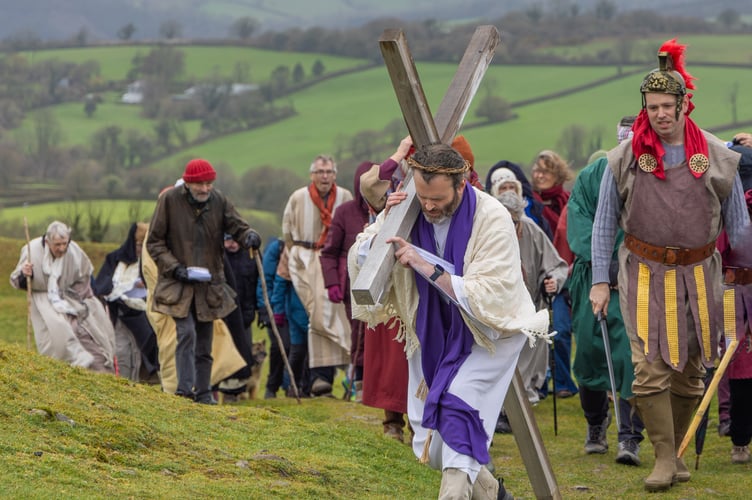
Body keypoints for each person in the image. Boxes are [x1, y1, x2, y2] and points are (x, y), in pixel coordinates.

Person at [590, 39, 750, 492]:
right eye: (652, 106)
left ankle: (677, 452)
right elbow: (604, 225)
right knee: (649, 366)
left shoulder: (718, 158)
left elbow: (738, 231)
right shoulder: (622, 159)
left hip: (702, 274)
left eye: (667, 105)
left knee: (691, 368)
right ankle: (662, 458)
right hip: (642, 271)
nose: (660, 114)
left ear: (684, 104)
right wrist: (600, 281)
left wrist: (743, 279)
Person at [349, 143, 550, 499]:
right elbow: (361, 254)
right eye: (423, 197)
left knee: (458, 410)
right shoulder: (409, 206)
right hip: (430, 329)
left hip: (489, 334)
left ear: (462, 185)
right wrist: (385, 228)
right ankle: (492, 494)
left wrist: (424, 265)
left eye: (438, 199)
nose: (428, 206)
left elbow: (490, 292)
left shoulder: (491, 216)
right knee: (428, 440)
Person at [147, 158, 261, 404]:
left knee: (205, 341)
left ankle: (204, 392)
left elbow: (237, 225)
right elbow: (154, 242)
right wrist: (175, 268)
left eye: (209, 183)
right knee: (186, 333)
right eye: (200, 184)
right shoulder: (169, 201)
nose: (205, 188)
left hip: (208, 285)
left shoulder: (219, 201)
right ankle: (185, 391)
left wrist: (249, 235)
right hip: (177, 283)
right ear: (188, 183)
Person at [567, 116, 645, 466]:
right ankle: (596, 424)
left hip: (637, 277)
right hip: (592, 279)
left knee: (632, 358)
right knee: (589, 353)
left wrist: (625, 262)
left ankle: (630, 437)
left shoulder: (648, 174)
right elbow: (580, 222)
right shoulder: (592, 175)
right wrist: (604, 265)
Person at [282, 154, 353, 397]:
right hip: (304, 257)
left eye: (329, 172)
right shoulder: (298, 197)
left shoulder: (344, 197)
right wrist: (298, 257)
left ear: (334, 175)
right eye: (320, 172)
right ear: (312, 174)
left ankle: (325, 377)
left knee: (330, 315)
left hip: (333, 260)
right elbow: (287, 231)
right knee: (316, 315)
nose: (325, 177)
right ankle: (317, 379)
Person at [10, 220, 116, 373]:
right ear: (48, 241)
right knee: (54, 336)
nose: (62, 248)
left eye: (64, 243)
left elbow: (85, 276)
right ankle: (61, 372)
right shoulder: (31, 250)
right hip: (42, 300)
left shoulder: (73, 251)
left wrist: (83, 299)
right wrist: (25, 274)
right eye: (57, 245)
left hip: (71, 297)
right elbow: (18, 280)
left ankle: (97, 371)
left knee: (93, 332)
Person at [496, 190, 567, 407]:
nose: (512, 229)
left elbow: (557, 265)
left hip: (529, 308)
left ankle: (519, 406)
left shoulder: (531, 230)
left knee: (525, 360)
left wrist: (553, 280)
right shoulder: (488, 232)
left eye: (515, 223)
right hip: (498, 311)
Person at [320, 161, 374, 402]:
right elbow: (329, 251)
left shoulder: (390, 210)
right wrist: (331, 281)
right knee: (358, 335)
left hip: (382, 284)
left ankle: (375, 385)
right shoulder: (345, 212)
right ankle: (358, 384)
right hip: (351, 283)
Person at [530, 149, 578, 399]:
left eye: (545, 171)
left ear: (557, 174)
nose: (539, 175)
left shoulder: (568, 201)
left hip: (566, 272)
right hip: (539, 275)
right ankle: (542, 379)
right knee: (543, 330)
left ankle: (563, 382)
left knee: (561, 329)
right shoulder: (531, 205)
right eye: (537, 170)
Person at [93, 221, 159, 382]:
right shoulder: (115, 259)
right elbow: (102, 286)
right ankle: (121, 384)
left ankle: (136, 385)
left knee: (139, 353)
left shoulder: (151, 263)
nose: (140, 250)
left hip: (143, 318)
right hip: (119, 314)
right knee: (121, 350)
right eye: (138, 245)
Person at [217, 234, 260, 401]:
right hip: (223, 314)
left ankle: (240, 390)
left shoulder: (250, 255)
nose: (232, 244)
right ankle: (225, 391)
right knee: (224, 353)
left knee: (243, 352)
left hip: (245, 314)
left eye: (235, 240)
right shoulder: (219, 256)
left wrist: (261, 311)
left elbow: (257, 285)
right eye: (228, 240)